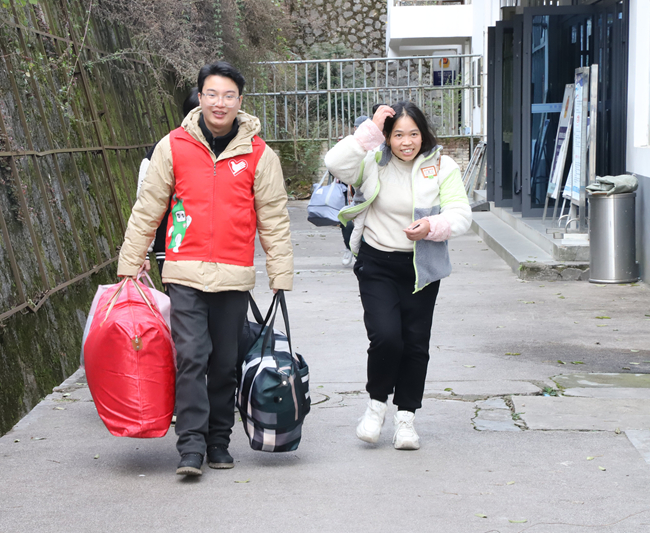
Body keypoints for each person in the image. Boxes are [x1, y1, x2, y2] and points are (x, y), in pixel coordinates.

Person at [117, 61, 294, 476]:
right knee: (192, 356)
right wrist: (130, 262)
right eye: (211, 94)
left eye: (228, 95)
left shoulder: (259, 154)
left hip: (233, 275)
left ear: (240, 101)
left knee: (224, 363)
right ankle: (191, 447)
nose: (219, 103)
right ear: (200, 97)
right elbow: (148, 210)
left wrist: (280, 274)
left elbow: (274, 216)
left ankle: (219, 441)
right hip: (184, 273)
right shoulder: (172, 146)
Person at [325, 101, 471, 450]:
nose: (407, 142)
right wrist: (369, 132)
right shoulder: (372, 163)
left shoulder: (442, 166)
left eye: (414, 134)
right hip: (376, 263)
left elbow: (461, 213)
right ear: (387, 137)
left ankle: (406, 418)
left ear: (424, 134)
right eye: (398, 135)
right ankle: (376, 407)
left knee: (415, 344)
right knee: (387, 337)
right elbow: (334, 163)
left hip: (422, 266)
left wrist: (432, 225)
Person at [136, 88, 201, 280]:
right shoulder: (162, 151)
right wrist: (142, 251)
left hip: (220, 254)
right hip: (173, 247)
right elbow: (146, 204)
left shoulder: (229, 152)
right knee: (183, 308)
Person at [340, 115, 369, 267]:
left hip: (369, 195)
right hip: (353, 194)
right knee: (346, 220)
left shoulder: (375, 146)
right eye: (357, 128)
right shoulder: (350, 145)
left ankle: (361, 252)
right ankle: (348, 247)